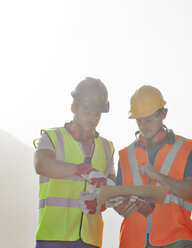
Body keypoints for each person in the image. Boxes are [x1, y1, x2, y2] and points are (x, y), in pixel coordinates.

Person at [115, 85, 192, 248]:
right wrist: (120, 207)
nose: (143, 125)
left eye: (148, 118)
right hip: (133, 242)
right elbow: (119, 200)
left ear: (163, 113)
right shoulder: (125, 155)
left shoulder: (185, 148)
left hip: (176, 240)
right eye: (139, 120)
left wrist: (158, 177)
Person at [33, 77, 115, 248]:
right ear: (73, 107)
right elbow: (41, 164)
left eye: (97, 114)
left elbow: (111, 189)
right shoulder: (52, 137)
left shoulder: (107, 148)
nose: (93, 119)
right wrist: (81, 169)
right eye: (87, 112)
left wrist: (101, 201)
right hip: (52, 238)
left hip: (91, 240)